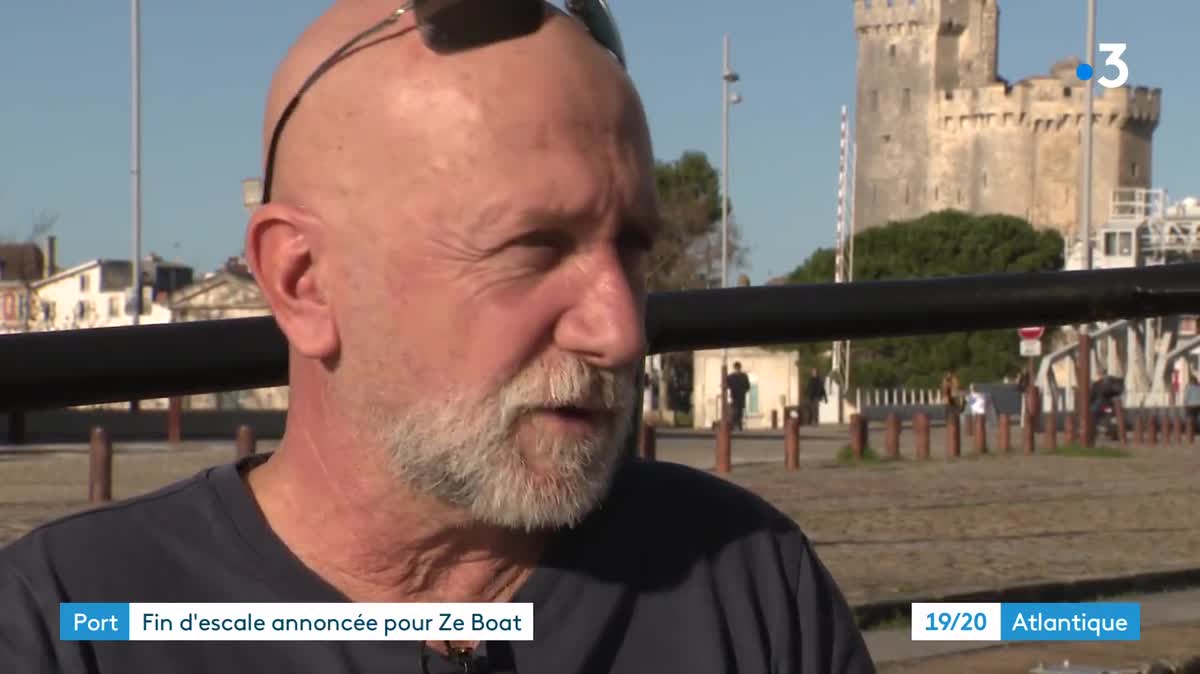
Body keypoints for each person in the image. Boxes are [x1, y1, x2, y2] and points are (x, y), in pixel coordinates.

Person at [0, 3, 875, 673]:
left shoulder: (745, 587)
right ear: (304, 281)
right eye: (533, 248)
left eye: (633, 248)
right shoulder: (70, 628)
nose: (618, 329)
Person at [725, 361, 751, 431]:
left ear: (734, 367)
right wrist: (743, 391)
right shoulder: (744, 376)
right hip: (741, 397)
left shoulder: (730, 377)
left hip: (733, 397)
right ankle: (739, 426)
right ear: (740, 367)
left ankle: (735, 425)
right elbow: (748, 387)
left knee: (734, 411)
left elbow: (726, 386)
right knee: (739, 412)